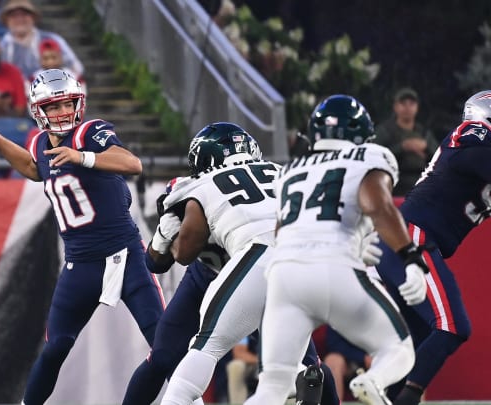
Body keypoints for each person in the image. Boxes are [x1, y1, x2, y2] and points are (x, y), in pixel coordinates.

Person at [0, 68, 164, 405]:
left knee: (163, 344)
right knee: (55, 347)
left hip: (125, 256)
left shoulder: (89, 133)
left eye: (67, 104)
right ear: (39, 110)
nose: (62, 113)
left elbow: (133, 164)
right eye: (53, 107)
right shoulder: (40, 143)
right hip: (80, 264)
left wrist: (82, 157)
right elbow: (33, 169)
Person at [242, 94, 428, 405]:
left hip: (284, 273)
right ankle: (371, 381)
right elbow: (378, 206)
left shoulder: (291, 169)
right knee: (398, 350)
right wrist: (410, 257)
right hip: (334, 265)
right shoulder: (370, 155)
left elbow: (282, 230)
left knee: (272, 385)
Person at [153, 123, 338, 405]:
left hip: (261, 257)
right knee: (279, 377)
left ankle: (175, 401)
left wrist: (164, 235)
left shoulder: (198, 185)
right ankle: (298, 375)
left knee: (206, 347)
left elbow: (183, 254)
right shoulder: (280, 171)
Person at [373, 90, 491, 405]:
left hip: (410, 239)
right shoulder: (472, 134)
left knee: (418, 341)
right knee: (453, 326)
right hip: (411, 239)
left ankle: (387, 393)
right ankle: (388, 388)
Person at [374, 88, 438, 196]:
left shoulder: (423, 133)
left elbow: (440, 158)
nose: (407, 108)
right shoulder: (385, 131)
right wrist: (403, 147)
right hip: (394, 185)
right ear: (395, 107)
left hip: (420, 185)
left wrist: (426, 147)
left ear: (417, 107)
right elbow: (374, 156)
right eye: (403, 104)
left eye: (411, 104)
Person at [0, 0, 83, 79]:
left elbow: (77, 69)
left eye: (24, 14)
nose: (20, 19)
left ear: (33, 18)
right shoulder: (0, 48)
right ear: (6, 20)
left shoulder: (53, 39)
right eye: (14, 15)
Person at [322, 326, 371, 400]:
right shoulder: (337, 316)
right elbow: (333, 343)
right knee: (333, 361)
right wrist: (363, 357)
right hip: (349, 363)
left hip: (379, 358)